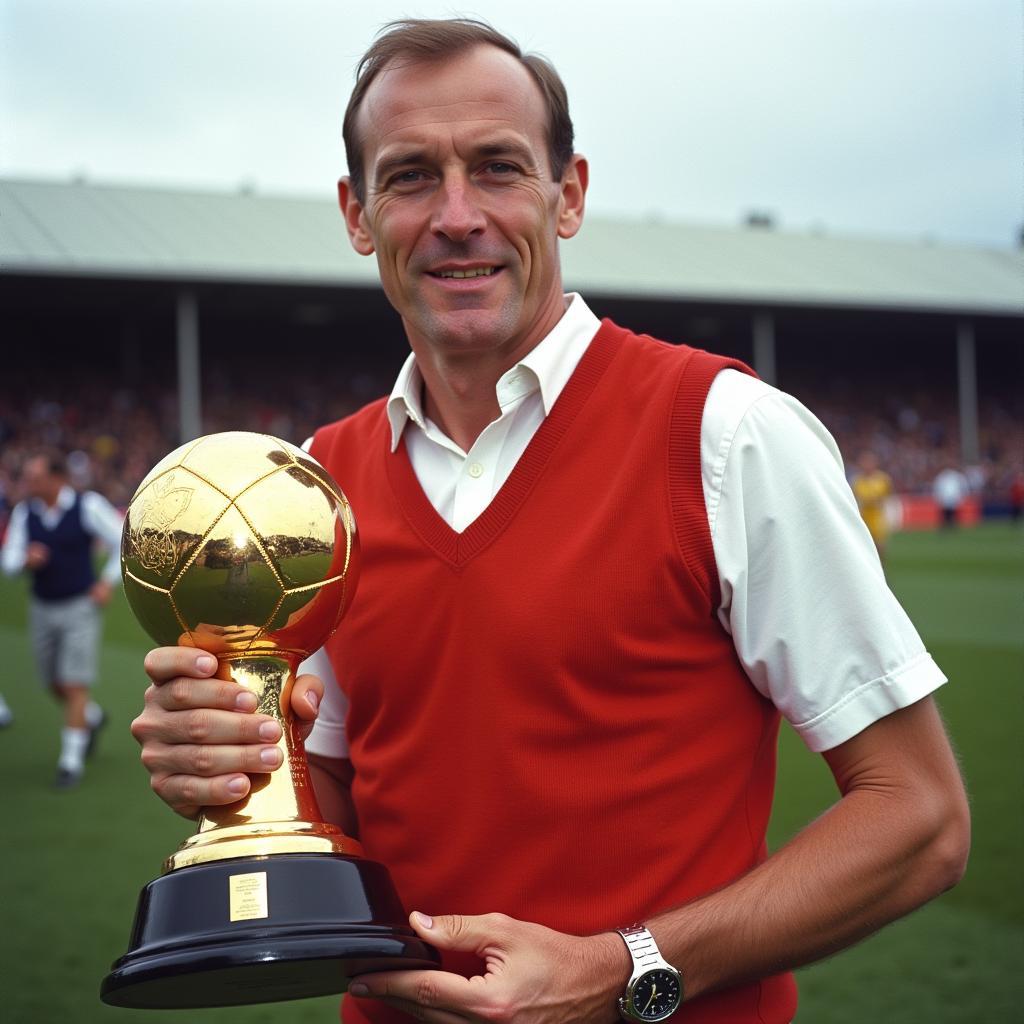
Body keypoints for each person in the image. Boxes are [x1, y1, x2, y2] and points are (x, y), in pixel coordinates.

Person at [131, 19, 970, 1024]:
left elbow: (918, 816)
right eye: (408, 177)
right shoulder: (317, 486)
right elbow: (336, 811)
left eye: (496, 168)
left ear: (566, 193)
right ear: (357, 215)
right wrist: (232, 765)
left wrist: (625, 969)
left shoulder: (724, 432)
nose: (456, 215)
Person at [1, 452, 121, 786]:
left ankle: (70, 762)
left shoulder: (87, 505)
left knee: (73, 681)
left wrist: (106, 582)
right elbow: (9, 561)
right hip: (42, 606)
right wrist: (25, 561)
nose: (29, 485)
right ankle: (91, 718)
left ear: (56, 478)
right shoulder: (26, 512)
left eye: (35, 478)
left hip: (79, 606)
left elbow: (121, 540)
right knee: (52, 682)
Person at [850, 450, 893, 564]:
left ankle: (881, 570)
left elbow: (886, 498)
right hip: (864, 518)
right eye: (864, 462)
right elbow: (855, 499)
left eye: (869, 462)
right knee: (863, 546)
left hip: (877, 519)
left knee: (880, 547)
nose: (867, 465)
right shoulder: (857, 481)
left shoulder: (883, 479)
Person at [932, 464, 969, 528]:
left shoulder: (956, 476)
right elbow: (937, 487)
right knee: (946, 513)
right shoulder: (942, 476)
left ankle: (951, 525)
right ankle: (947, 525)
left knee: (952, 513)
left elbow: (963, 487)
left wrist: (961, 496)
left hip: (952, 497)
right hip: (946, 498)